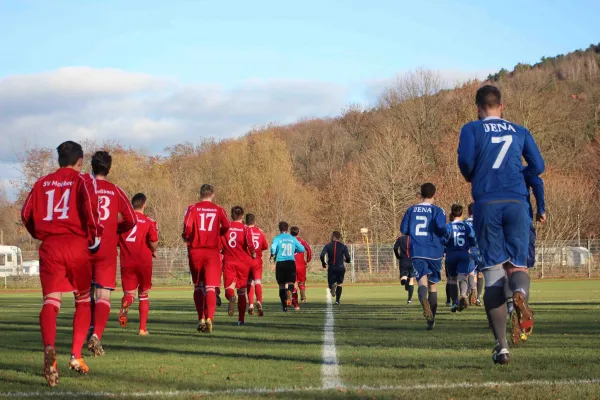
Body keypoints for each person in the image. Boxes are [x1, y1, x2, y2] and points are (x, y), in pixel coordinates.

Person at [457, 84, 545, 365]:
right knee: (518, 267)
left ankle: (502, 346)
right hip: (517, 203)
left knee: (493, 274)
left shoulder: (472, 128)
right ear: (501, 106)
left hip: (487, 203)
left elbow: (466, 164)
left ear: (478, 108)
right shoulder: (519, 130)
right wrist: (520, 174)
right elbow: (538, 166)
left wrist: (477, 174)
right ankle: (519, 294)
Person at [21, 141, 103, 386]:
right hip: (76, 244)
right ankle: (76, 355)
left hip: (51, 246)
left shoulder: (41, 183)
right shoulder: (83, 181)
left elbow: (26, 214)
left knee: (51, 301)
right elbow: (91, 209)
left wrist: (39, 234)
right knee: (82, 299)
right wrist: (94, 237)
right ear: (80, 161)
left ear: (59, 160)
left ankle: (49, 347)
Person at [85, 151, 136, 357]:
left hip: (85, 246)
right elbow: (131, 219)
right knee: (103, 294)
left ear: (91, 166)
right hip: (106, 248)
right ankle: (97, 334)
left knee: (85, 294)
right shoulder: (115, 190)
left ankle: (88, 327)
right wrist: (115, 228)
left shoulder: (84, 188)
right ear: (109, 168)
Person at [182, 184, 229, 333]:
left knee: (198, 286)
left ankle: (200, 318)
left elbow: (187, 226)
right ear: (213, 195)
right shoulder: (219, 209)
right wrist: (217, 232)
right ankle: (210, 318)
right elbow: (226, 226)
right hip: (212, 252)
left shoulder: (192, 209)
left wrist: (186, 237)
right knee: (210, 286)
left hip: (196, 251)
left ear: (200, 194)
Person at [400, 183, 447, 330]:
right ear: (435, 194)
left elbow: (404, 229)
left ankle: (423, 301)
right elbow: (441, 228)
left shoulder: (411, 209)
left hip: (418, 251)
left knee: (422, 282)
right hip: (434, 251)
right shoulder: (439, 210)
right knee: (433, 285)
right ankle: (431, 320)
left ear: (421, 193)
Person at [509, 173, 546, 344]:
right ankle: (520, 300)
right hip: (523, 220)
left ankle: (510, 310)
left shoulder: (491, 166)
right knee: (521, 269)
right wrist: (541, 209)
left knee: (505, 269)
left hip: (497, 221)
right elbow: (538, 182)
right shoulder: (524, 170)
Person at [117, 193, 159, 336]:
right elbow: (153, 240)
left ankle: (125, 304)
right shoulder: (149, 221)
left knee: (129, 293)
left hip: (126, 261)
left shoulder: (122, 221)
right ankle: (142, 329)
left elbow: (115, 240)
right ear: (144, 204)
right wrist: (153, 250)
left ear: (131, 205)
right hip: (143, 262)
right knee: (143, 294)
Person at [221, 206, 256, 326]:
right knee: (242, 292)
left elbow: (219, 245)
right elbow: (250, 244)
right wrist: (252, 253)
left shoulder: (225, 228)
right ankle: (241, 320)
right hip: (243, 262)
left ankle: (231, 298)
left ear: (231, 215)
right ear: (242, 216)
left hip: (229, 261)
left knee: (228, 289)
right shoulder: (246, 228)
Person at [444, 204, 476, 312]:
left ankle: (454, 303)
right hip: (463, 254)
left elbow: (444, 240)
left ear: (452, 213)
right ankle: (463, 295)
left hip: (451, 254)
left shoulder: (448, 226)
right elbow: (472, 241)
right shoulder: (466, 226)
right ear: (462, 214)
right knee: (462, 276)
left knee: (452, 279)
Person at [271, 221, 305, 311]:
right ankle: (289, 292)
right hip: (290, 262)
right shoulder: (292, 238)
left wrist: (272, 254)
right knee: (290, 282)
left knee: (281, 285)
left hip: (281, 263)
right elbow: (302, 248)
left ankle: (284, 306)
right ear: (287, 228)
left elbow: (273, 248)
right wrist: (294, 250)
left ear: (279, 228)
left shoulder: (277, 238)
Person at [246, 214, 269, 316]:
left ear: (246, 222)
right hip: (257, 260)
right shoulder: (259, 232)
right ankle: (259, 301)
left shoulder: (244, 230)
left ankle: (251, 304)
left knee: (249, 283)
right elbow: (265, 246)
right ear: (254, 221)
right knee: (257, 281)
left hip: (246, 260)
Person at [320, 231, 351, 306]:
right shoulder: (343, 246)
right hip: (340, 267)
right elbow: (348, 258)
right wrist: (345, 260)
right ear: (339, 237)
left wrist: (323, 263)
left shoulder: (328, 246)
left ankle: (332, 288)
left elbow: (322, 255)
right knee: (340, 284)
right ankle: (337, 301)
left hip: (332, 267)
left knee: (331, 283)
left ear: (332, 236)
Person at [465, 203, 484, 307]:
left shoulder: (465, 223)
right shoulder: (482, 221)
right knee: (480, 274)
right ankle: (478, 298)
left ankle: (472, 290)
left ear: (469, 212)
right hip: (481, 250)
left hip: (470, 250)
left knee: (471, 273)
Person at [291, 226, 312, 308]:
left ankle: (294, 299)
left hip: (291, 264)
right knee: (302, 281)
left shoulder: (288, 241)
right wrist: (308, 260)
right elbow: (309, 250)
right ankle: (303, 297)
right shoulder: (302, 241)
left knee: (293, 282)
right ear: (298, 232)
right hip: (300, 265)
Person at [393, 234, 415, 304]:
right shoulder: (414, 238)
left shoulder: (400, 238)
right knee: (411, 279)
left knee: (404, 276)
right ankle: (409, 300)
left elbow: (395, 248)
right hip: (412, 260)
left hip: (403, 260)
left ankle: (404, 281)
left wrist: (397, 256)